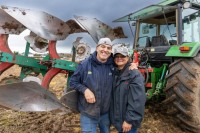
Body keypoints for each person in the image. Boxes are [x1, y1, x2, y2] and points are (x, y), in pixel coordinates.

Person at [69, 37, 114, 133]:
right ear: (97, 48)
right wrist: (85, 90)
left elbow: (125, 63)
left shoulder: (113, 66)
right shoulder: (85, 65)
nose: (105, 50)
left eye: (108, 48)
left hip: (106, 113)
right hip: (88, 112)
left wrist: (132, 66)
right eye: (102, 46)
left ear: (111, 51)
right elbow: (73, 82)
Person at [110, 46, 146, 133]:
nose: (119, 58)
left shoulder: (134, 75)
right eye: (117, 56)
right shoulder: (115, 74)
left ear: (128, 58)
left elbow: (137, 100)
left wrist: (130, 120)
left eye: (122, 56)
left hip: (128, 122)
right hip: (120, 120)